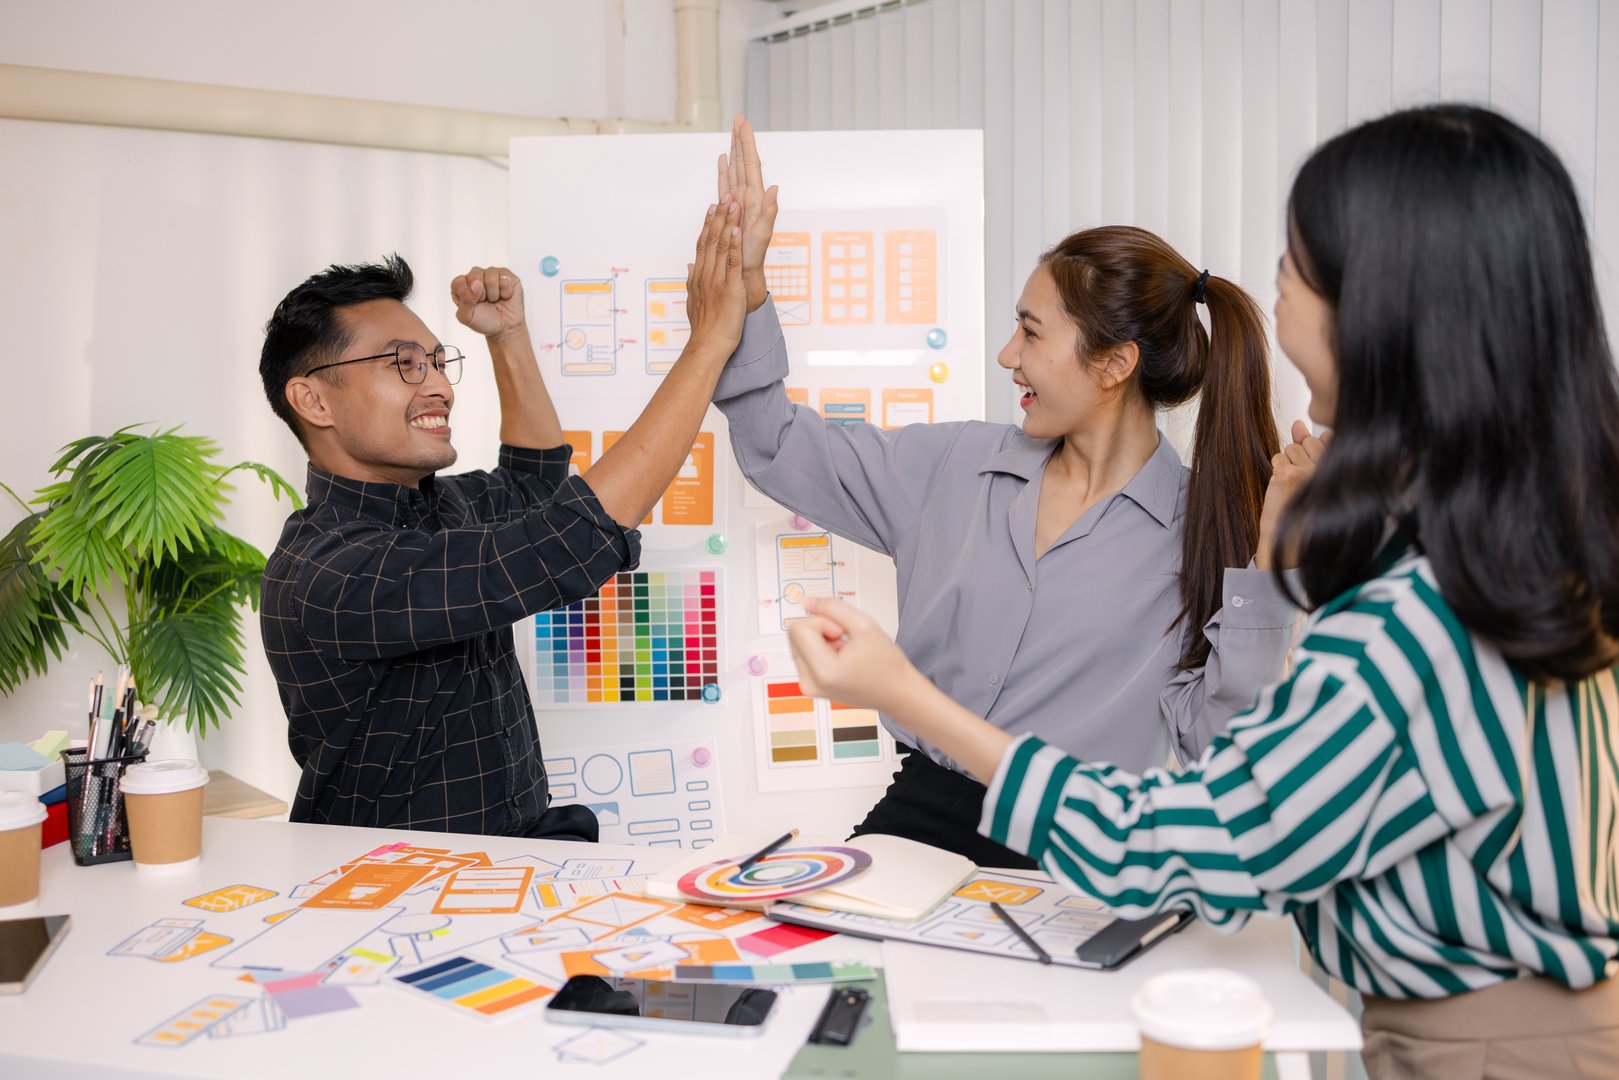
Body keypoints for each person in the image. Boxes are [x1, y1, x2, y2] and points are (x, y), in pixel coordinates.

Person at [787, 104, 1619, 1077]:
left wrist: (903, 694)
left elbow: (1175, 839)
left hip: (1489, 1047)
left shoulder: (1411, 620)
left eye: (1297, 264)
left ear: (1384, 310)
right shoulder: (1516, 562)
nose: (1276, 288)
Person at [712, 117, 1322, 866]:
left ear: (1114, 365)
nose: (1008, 355)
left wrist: (1272, 565)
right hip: (919, 822)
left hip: (1083, 854)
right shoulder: (953, 465)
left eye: (1031, 333)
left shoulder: (1204, 529)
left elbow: (1218, 747)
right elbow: (775, 444)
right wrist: (747, 289)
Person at [258, 201, 746, 837]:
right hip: (399, 880)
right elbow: (567, 537)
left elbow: (535, 483)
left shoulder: (442, 507)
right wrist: (709, 344)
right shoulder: (328, 569)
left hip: (510, 861)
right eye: (404, 363)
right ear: (313, 400)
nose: (439, 387)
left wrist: (507, 336)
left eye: (438, 362)